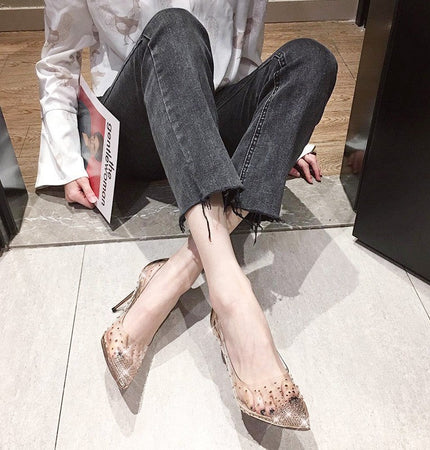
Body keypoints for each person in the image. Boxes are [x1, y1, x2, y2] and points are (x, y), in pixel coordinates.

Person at [36, 1, 337, 430]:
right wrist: (69, 159)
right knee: (174, 28)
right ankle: (232, 299)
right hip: (134, 126)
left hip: (209, 119)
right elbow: (57, 61)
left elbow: (245, 58)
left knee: (313, 61)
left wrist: (283, 134)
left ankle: (177, 273)